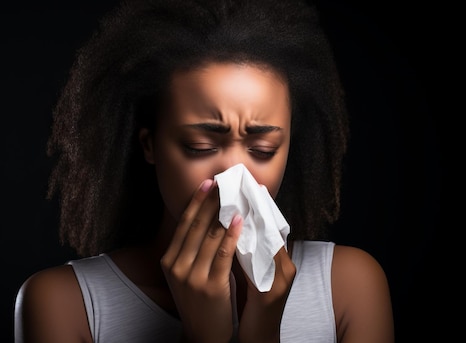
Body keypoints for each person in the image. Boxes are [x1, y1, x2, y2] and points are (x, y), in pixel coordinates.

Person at [14, 0, 394, 342]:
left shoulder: (349, 288)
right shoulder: (64, 305)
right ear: (150, 145)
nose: (233, 171)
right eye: (201, 147)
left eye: (263, 150)